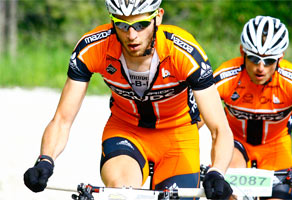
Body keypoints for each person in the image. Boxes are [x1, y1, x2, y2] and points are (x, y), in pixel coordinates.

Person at [23, 0, 234, 199]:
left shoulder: (183, 52)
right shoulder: (93, 48)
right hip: (126, 130)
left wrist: (217, 171)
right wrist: (45, 161)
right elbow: (62, 120)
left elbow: (219, 129)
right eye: (122, 25)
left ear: (158, 17)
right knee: (122, 193)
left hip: (178, 136)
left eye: (141, 24)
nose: (132, 35)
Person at [213, 15, 292, 199]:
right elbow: (197, 119)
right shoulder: (226, 76)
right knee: (230, 195)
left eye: (269, 61)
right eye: (253, 58)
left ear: (280, 57)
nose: (261, 67)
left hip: (275, 147)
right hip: (235, 144)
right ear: (242, 52)